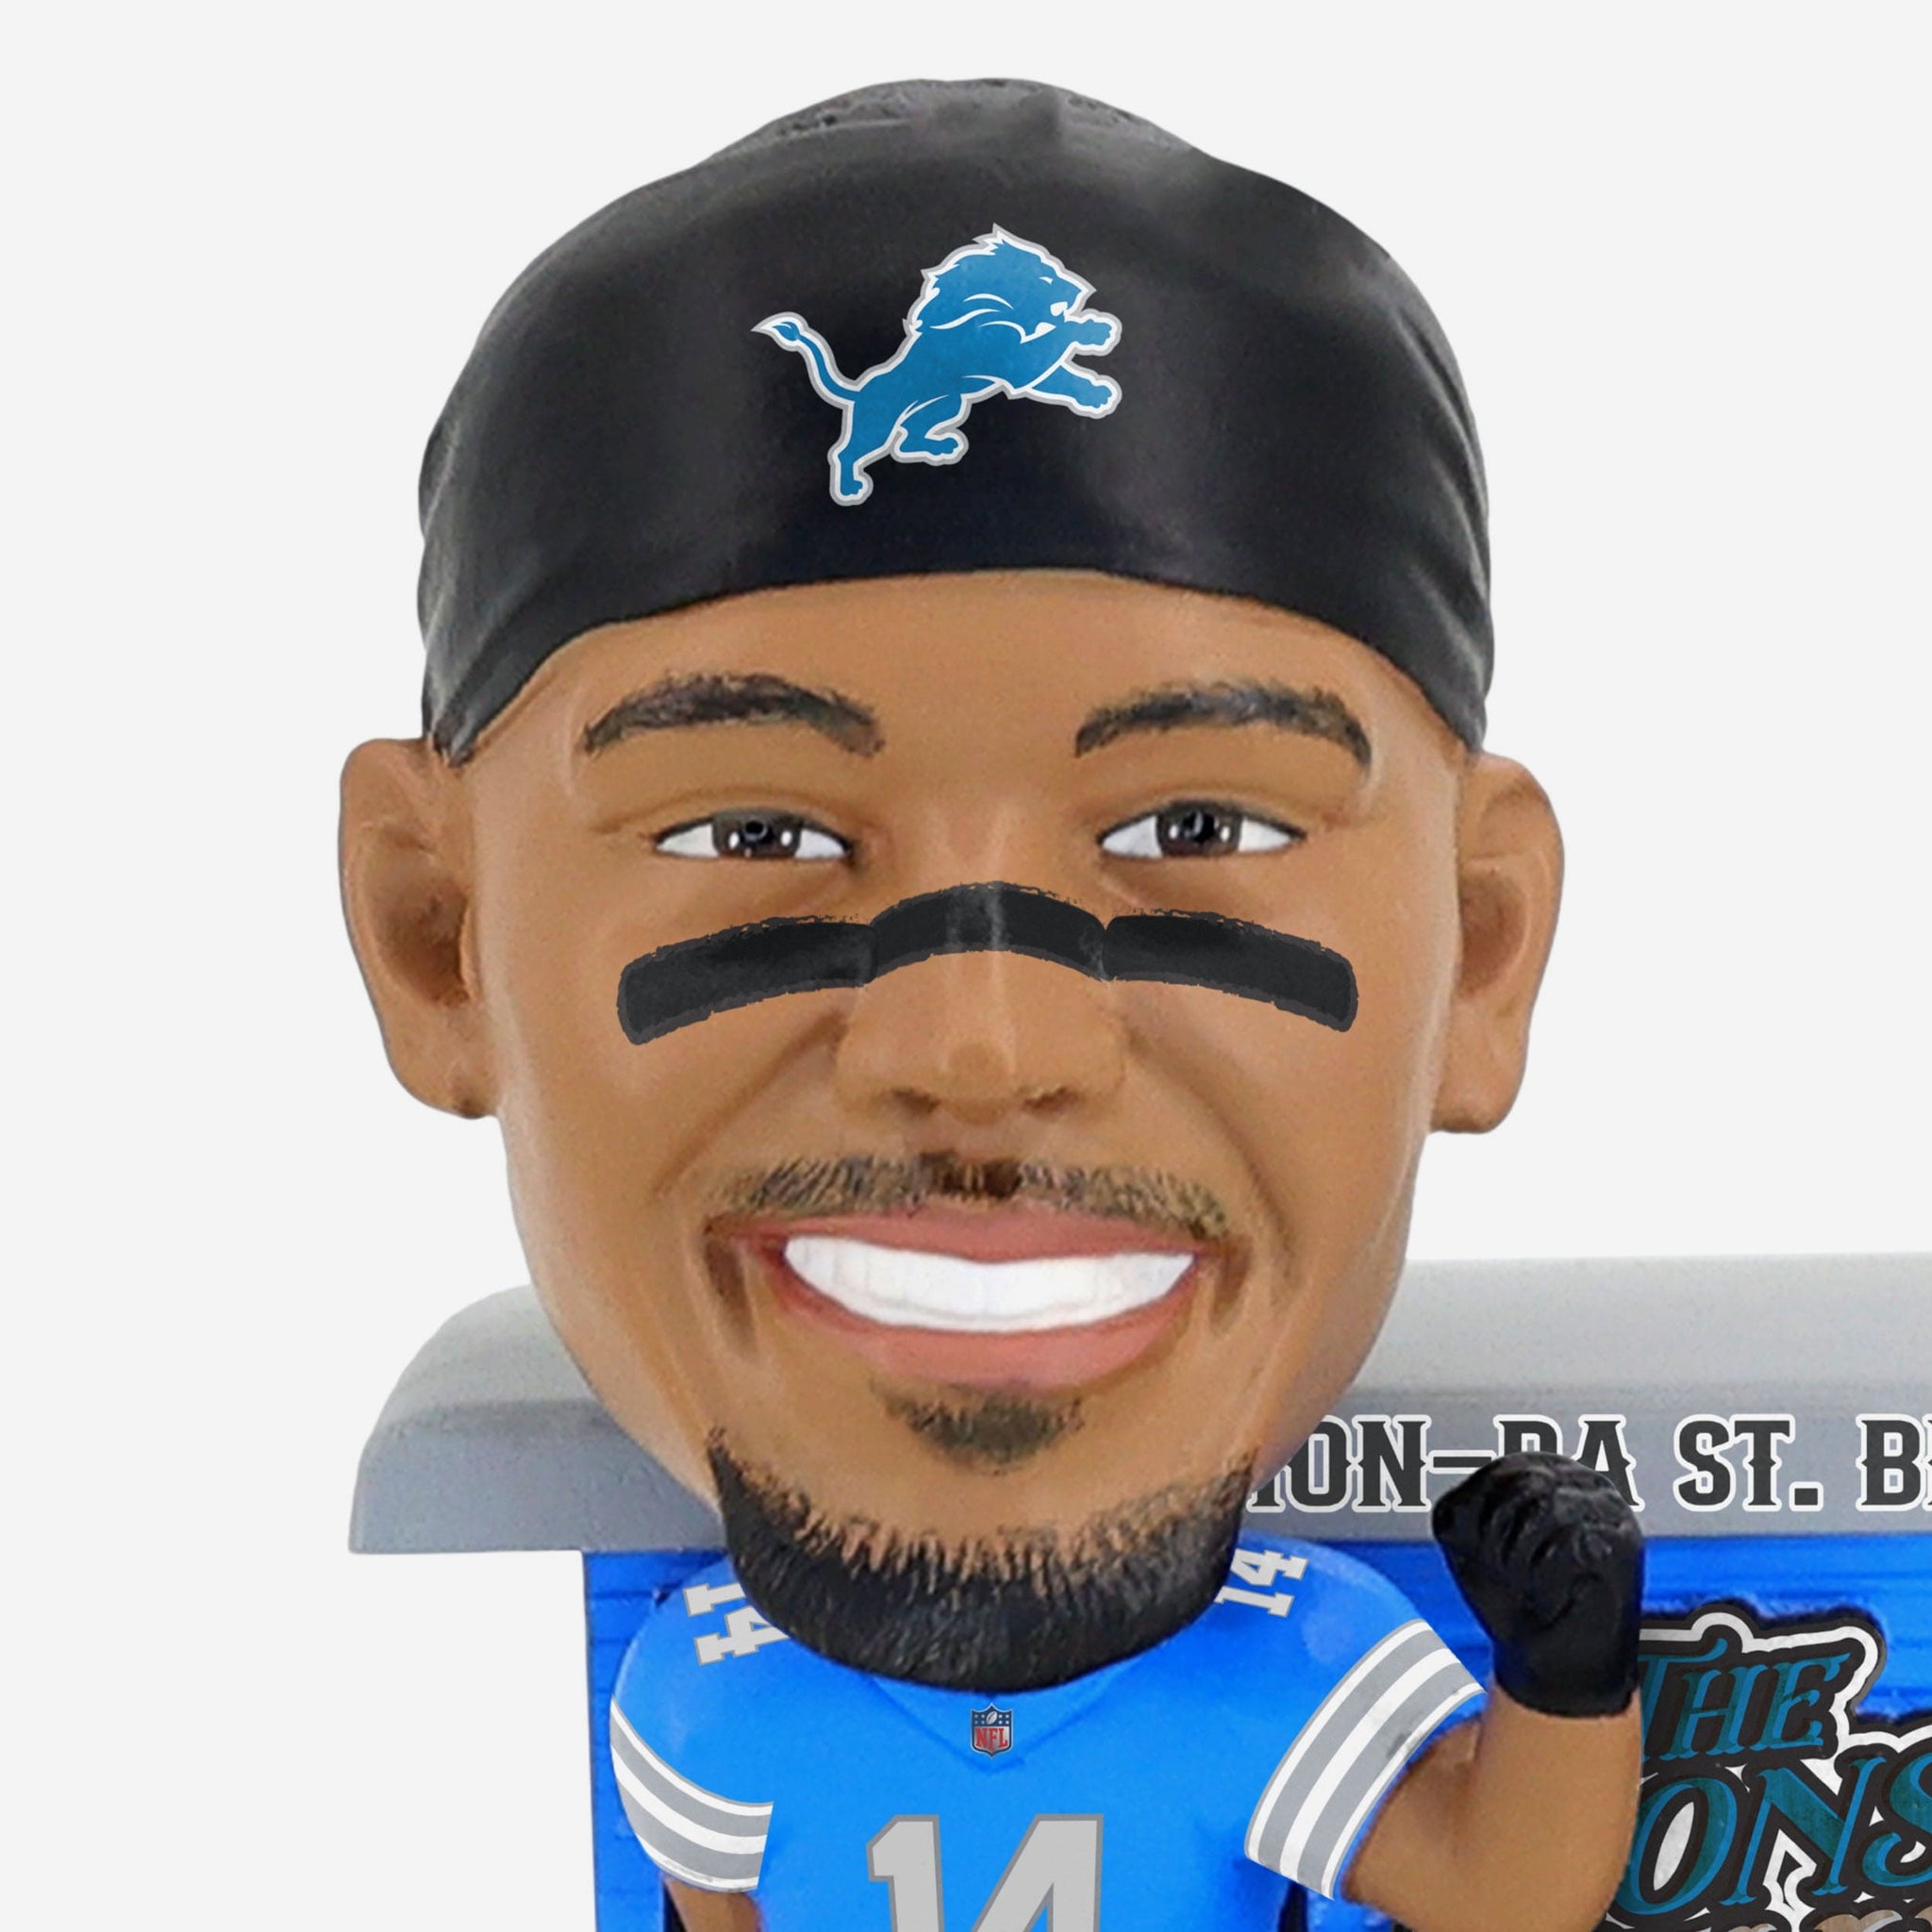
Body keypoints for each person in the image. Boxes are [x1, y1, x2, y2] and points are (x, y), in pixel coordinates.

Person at [340, 77, 1642, 1932]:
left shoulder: (1284, 1683)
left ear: (1481, 954)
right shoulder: (705, 1703)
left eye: (1200, 828)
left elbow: (1493, 1881)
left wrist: (1565, 1677)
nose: (981, 1044)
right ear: (437, 939)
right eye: (752, 831)